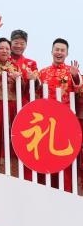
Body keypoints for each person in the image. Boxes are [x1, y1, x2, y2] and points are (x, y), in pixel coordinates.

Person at [35, 39, 83, 192]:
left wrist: (76, 77)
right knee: (46, 155)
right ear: (52, 51)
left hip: (66, 120)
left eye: (62, 50)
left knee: (65, 155)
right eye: (57, 49)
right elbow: (35, 92)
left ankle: (67, 191)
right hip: (46, 121)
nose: (59, 53)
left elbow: (79, 91)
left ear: (67, 54)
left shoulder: (72, 71)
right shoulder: (43, 72)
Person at [0, 33, 25, 176]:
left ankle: (11, 173)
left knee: (12, 140)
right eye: (1, 48)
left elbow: (24, 89)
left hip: (13, 109)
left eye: (7, 49)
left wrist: (18, 81)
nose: (5, 51)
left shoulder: (15, 66)